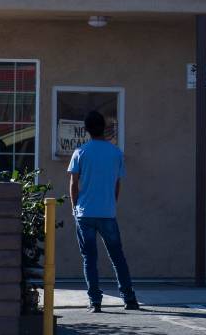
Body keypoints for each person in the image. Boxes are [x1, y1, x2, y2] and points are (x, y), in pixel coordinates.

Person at [68, 111, 138, 313]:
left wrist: (74, 207)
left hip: (85, 213)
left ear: (87, 129)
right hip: (107, 212)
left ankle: (95, 301)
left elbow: (74, 184)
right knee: (117, 256)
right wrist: (111, 204)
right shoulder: (116, 153)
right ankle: (129, 298)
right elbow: (117, 184)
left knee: (89, 258)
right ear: (104, 129)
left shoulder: (80, 152)